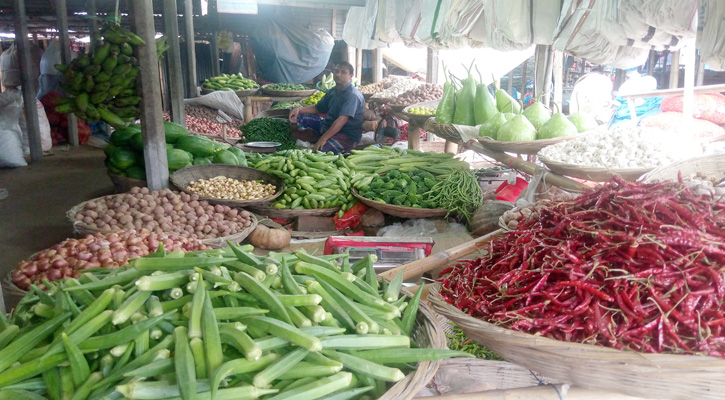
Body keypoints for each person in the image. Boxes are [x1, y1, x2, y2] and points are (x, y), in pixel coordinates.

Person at [289, 61, 364, 154]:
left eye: (343, 72)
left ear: (351, 76)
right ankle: (312, 136)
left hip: (346, 134)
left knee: (320, 152)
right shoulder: (333, 91)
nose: (338, 74)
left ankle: (322, 139)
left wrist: (323, 139)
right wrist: (299, 110)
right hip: (328, 126)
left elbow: (342, 120)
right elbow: (318, 108)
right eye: (336, 71)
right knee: (299, 117)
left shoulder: (352, 95)